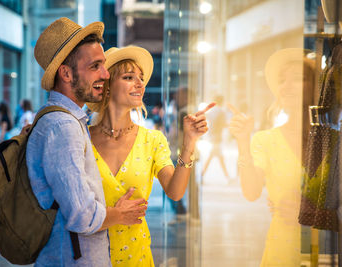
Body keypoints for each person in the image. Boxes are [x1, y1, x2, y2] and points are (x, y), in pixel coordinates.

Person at [28, 17, 147, 266]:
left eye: (103, 65)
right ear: (66, 73)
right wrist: (120, 214)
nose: (105, 74)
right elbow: (82, 216)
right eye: (95, 66)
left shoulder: (68, 121)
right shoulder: (63, 126)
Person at [87, 46, 214, 266]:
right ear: (107, 87)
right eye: (129, 77)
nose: (139, 84)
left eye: (141, 78)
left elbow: (175, 192)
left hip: (136, 256)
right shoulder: (83, 139)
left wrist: (189, 143)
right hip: (89, 257)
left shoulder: (152, 140)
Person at [228, 48, 315, 266]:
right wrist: (242, 142)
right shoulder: (266, 139)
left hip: (328, 246)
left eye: (297, 79)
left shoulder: (331, 138)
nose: (286, 87)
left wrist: (318, 211)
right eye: (281, 80)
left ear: (314, 86)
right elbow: (251, 192)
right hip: (283, 250)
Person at [201, 95, 231, 184]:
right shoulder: (221, 112)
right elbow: (222, 124)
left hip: (212, 136)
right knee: (217, 158)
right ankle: (227, 177)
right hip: (217, 138)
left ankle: (202, 176)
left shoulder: (212, 111)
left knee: (216, 158)